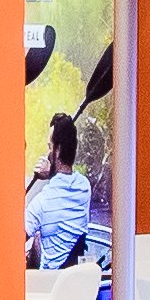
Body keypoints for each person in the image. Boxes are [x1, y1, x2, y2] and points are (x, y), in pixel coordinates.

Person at [21, 111, 105, 271]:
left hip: (48, 285)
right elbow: (65, 178)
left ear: (57, 150)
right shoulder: (84, 187)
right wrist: (51, 174)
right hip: (74, 278)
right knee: (37, 237)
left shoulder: (42, 203)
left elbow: (13, 243)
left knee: (34, 240)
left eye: (49, 147)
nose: (48, 153)